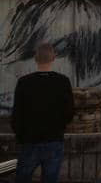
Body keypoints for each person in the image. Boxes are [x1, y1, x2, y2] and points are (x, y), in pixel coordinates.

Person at [11, 42, 74, 183]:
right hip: (54, 140)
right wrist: (59, 128)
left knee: (22, 178)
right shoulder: (63, 82)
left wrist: (21, 136)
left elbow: (16, 115)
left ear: (35, 59)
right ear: (53, 58)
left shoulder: (24, 82)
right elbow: (69, 112)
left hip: (30, 141)